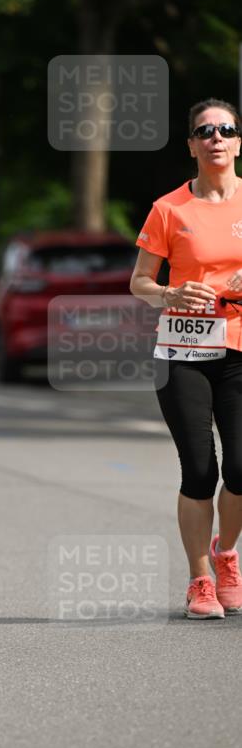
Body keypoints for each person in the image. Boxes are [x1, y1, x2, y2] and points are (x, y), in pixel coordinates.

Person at [130, 98, 242, 620]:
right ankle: (200, 580)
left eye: (227, 129)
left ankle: (226, 556)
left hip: (241, 348)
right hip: (184, 349)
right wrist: (169, 296)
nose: (216, 137)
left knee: (241, 467)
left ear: (238, 141)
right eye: (206, 131)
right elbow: (140, 283)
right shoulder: (169, 208)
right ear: (192, 145)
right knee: (200, 468)